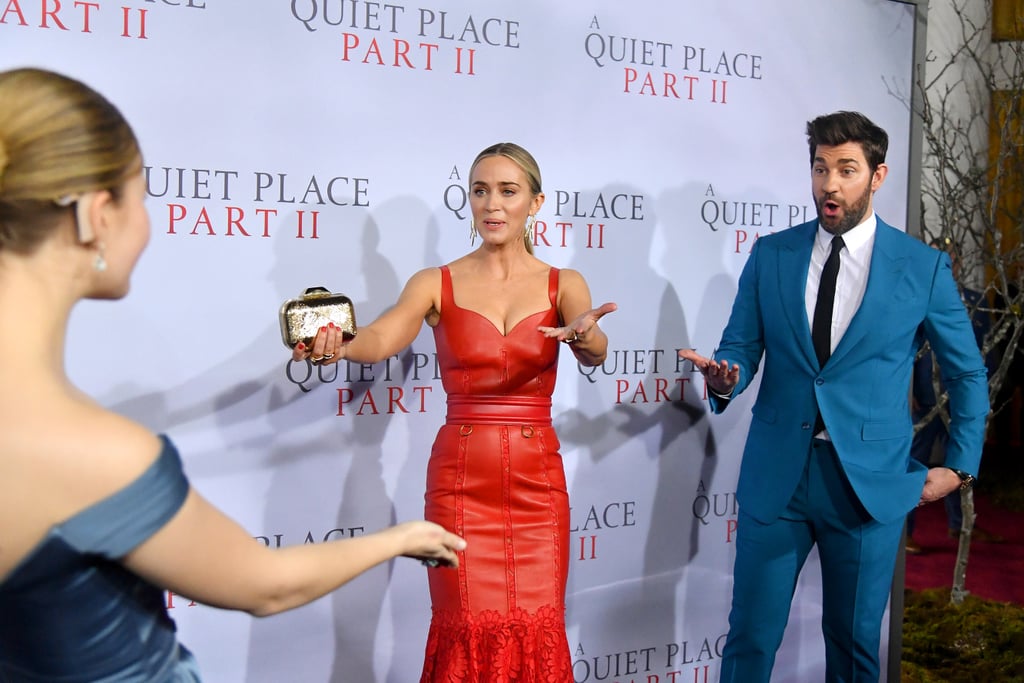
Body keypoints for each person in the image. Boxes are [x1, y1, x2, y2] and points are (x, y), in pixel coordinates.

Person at [0, 67, 466, 683]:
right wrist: (400, 538)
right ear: (96, 215)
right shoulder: (97, 454)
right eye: (141, 198)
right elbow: (262, 587)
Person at [679, 111, 990, 682]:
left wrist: (961, 466)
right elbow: (741, 347)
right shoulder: (772, 256)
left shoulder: (921, 268)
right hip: (780, 480)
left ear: (877, 175)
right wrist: (727, 378)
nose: (830, 183)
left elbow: (968, 375)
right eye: (821, 168)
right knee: (748, 640)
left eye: (846, 169)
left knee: (852, 651)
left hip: (867, 485)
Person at [296, 142, 617, 681]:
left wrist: (586, 339)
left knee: (539, 626)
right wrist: (342, 344)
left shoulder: (565, 283)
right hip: (461, 485)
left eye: (508, 191)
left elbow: (595, 347)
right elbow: (380, 337)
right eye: (480, 191)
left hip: (539, 491)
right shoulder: (434, 282)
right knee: (464, 628)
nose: (492, 204)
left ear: (536, 203)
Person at [905, 238, 999, 553]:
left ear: (955, 262)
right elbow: (910, 354)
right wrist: (912, 393)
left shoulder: (974, 301)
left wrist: (984, 393)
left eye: (951, 256)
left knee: (959, 465)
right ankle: (905, 533)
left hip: (957, 400)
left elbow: (984, 352)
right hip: (926, 399)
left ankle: (959, 526)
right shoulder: (914, 296)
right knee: (912, 464)